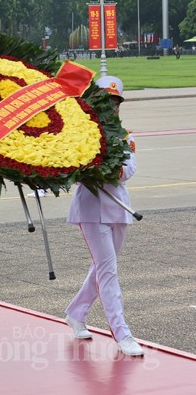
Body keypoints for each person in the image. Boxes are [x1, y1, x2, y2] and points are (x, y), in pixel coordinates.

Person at [64, 76, 144, 357]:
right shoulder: (81, 134)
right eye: (106, 102)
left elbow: (129, 169)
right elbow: (69, 169)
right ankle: (122, 334)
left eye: (116, 103)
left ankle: (75, 312)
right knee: (108, 269)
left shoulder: (126, 136)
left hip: (118, 208)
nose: (112, 107)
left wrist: (113, 171)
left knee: (101, 268)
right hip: (91, 210)